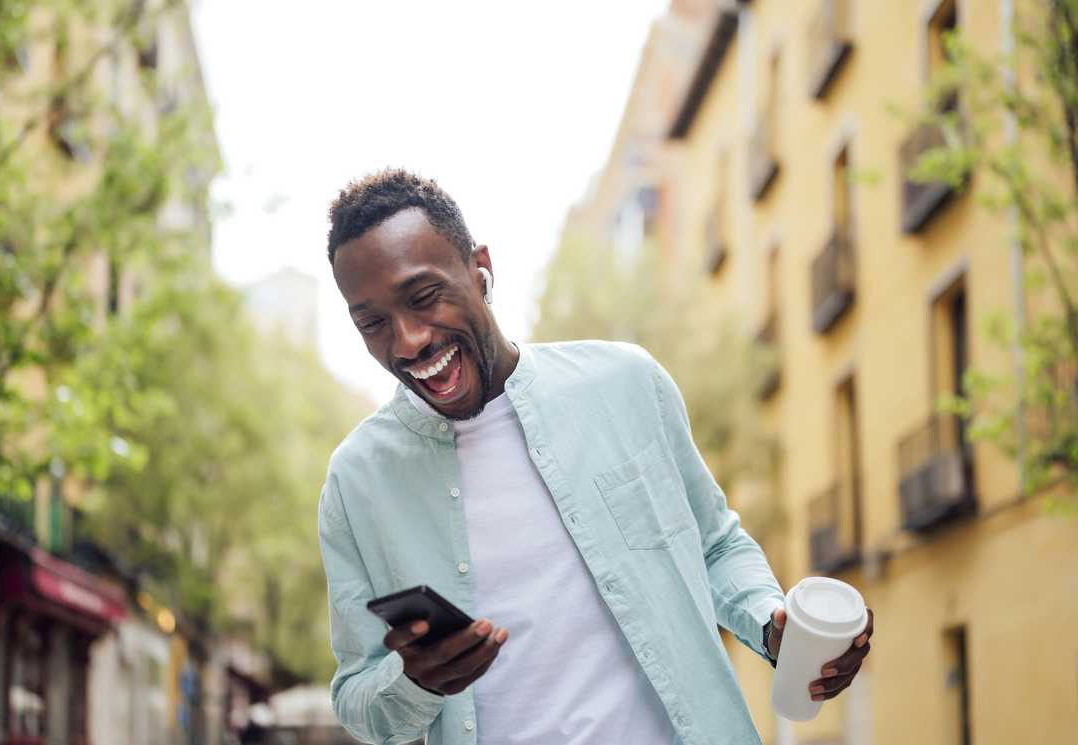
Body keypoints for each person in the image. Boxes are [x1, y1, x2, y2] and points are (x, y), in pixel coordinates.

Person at [318, 170, 874, 745]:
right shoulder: (356, 481)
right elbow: (356, 694)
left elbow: (713, 544)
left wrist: (770, 623)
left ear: (480, 268)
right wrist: (415, 683)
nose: (407, 340)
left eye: (423, 296)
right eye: (373, 322)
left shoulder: (626, 384)